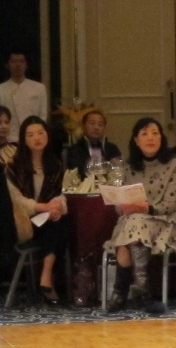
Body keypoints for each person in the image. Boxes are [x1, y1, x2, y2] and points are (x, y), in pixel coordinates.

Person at [104, 117, 176, 312]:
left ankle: (122, 291)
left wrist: (146, 209)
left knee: (133, 224)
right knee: (132, 222)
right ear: (136, 140)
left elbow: (170, 205)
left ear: (162, 138)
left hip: (165, 222)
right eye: (145, 134)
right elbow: (120, 206)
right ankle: (140, 290)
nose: (150, 138)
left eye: (155, 133)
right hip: (135, 223)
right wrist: (122, 206)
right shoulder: (128, 168)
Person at [5, 116, 67, 305]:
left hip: (46, 219)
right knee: (54, 226)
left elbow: (63, 193)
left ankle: (46, 276)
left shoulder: (55, 165)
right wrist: (42, 207)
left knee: (58, 223)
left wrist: (56, 206)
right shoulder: (14, 166)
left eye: (41, 133)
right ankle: (48, 280)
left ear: (47, 135)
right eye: (30, 135)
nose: (37, 138)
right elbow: (16, 200)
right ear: (24, 140)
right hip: (21, 221)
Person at [0, 52, 48, 142]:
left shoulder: (39, 88)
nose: (18, 65)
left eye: (21, 61)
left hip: (33, 139)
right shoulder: (1, 89)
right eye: (14, 61)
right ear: (7, 65)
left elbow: (42, 116)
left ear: (26, 65)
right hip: (8, 139)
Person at [66, 110, 121, 180]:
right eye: (92, 123)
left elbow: (118, 170)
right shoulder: (74, 150)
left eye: (100, 124)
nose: (96, 127)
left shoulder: (112, 149)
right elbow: (75, 174)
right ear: (83, 126)